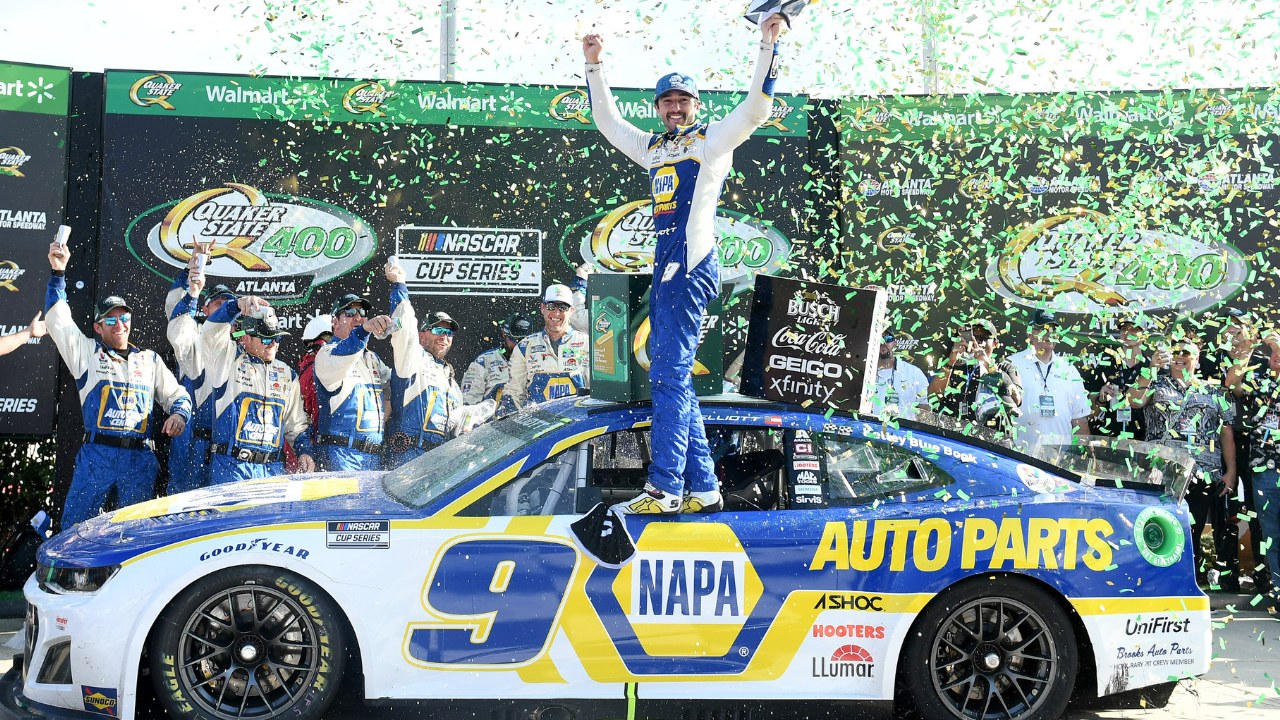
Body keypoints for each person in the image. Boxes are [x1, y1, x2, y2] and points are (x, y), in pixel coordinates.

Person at [583, 14, 786, 514]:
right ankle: (703, 486)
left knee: (668, 375)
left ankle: (665, 487)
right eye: (667, 101)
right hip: (666, 269)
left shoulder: (712, 142)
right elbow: (608, 124)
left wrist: (768, 44)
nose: (675, 108)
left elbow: (757, 109)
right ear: (659, 108)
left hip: (692, 268)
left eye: (684, 100)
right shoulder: (654, 148)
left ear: (698, 106)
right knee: (673, 378)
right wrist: (594, 66)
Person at [44, 242, 191, 526]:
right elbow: (56, 320)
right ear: (98, 327)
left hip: (138, 459)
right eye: (110, 320)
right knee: (76, 531)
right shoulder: (86, 353)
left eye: (124, 317)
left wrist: (178, 414)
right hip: (97, 457)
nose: (119, 324)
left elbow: (178, 395)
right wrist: (58, 272)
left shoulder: (149, 360)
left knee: (136, 536)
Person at [1128, 334, 1237, 586]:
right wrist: (1151, 369)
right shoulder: (1155, 382)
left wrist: (1231, 471)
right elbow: (1134, 401)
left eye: (1186, 353)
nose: (1180, 357)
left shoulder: (1213, 390)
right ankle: (1157, 582)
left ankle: (1190, 582)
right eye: (1175, 352)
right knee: (1160, 527)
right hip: (1161, 471)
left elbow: (1226, 432)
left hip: (1203, 473)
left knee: (1194, 529)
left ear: (1197, 359)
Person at [384, 262, 493, 467]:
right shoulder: (412, 358)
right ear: (422, 335)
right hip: (408, 459)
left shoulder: (450, 379)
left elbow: (455, 424)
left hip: (440, 464)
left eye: (449, 333)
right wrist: (399, 285)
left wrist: (464, 429)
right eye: (438, 331)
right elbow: (405, 324)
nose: (444, 337)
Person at [199, 295, 316, 483]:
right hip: (232, 468)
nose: (273, 344)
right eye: (266, 338)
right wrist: (234, 306)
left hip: (272, 470)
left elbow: (296, 425)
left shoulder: (287, 374)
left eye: (276, 337)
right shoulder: (226, 360)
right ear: (246, 337)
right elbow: (210, 333)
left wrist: (305, 452)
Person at [1220, 309, 1279, 593]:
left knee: (1261, 520)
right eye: (1229, 328)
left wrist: (1268, 346)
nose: (1233, 332)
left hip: (1261, 453)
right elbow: (1228, 385)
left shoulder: (1267, 357)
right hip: (1235, 447)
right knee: (1231, 512)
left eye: (1239, 327)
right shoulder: (1218, 356)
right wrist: (1240, 355)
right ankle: (1232, 573)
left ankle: (1263, 575)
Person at [165, 265, 236, 493]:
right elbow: (176, 319)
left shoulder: (240, 347)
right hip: (192, 442)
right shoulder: (192, 335)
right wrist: (192, 278)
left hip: (224, 448)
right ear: (205, 309)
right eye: (218, 304)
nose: (224, 309)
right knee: (182, 510)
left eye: (229, 305)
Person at [313, 293, 393, 471]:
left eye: (362, 312)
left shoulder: (372, 358)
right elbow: (347, 351)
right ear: (335, 322)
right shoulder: (326, 353)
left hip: (372, 458)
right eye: (349, 313)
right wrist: (364, 330)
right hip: (341, 457)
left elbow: (396, 388)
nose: (358, 317)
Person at [1007, 310, 1091, 451]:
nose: (1048, 334)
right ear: (1029, 333)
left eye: (1052, 329)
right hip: (1020, 459)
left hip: (1061, 460)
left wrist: (1084, 455)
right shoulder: (1011, 364)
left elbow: (1080, 420)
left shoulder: (1069, 369)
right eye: (1042, 329)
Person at [928, 318, 1023, 440]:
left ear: (995, 343)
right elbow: (932, 399)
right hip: (960, 441)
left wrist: (988, 364)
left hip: (997, 443)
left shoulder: (1006, 367)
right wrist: (952, 360)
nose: (977, 342)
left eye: (983, 338)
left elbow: (1018, 399)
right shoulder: (955, 368)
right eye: (972, 337)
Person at [508, 285, 590, 411]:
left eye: (563, 307)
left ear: (571, 311)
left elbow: (601, 394)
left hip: (577, 426)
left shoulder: (587, 344)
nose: (556, 313)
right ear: (542, 308)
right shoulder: (525, 347)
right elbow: (514, 393)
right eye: (551, 306)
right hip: (539, 425)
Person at [1244, 343, 1280, 606]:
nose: (1278, 356)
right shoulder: (1256, 382)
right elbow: (1232, 384)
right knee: (1273, 538)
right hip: (1263, 472)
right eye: (1275, 352)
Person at [1085, 318, 1150, 440]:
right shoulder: (1105, 364)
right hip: (1108, 439)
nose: (1128, 333)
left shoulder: (1151, 368)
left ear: (1144, 335)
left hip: (1143, 442)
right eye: (1124, 329)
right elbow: (1091, 414)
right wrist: (1101, 399)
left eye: (1134, 329)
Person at [462, 312, 534, 420]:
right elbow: (468, 405)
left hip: (528, 428)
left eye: (524, 340)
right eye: (515, 340)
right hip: (492, 431)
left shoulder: (538, 360)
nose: (519, 345)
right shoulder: (484, 362)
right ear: (504, 333)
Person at [871, 331, 929, 420]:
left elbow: (924, 408)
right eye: (879, 338)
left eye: (887, 338)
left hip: (902, 431)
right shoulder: (864, 372)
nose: (883, 342)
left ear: (895, 343)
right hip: (869, 429)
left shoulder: (914, 373)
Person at [299, 314, 333, 434]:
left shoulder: (309, 364)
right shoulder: (319, 368)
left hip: (310, 440)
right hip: (320, 443)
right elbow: (319, 414)